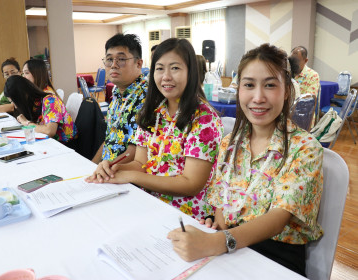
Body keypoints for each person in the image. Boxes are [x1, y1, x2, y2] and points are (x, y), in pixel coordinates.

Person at [167, 43, 323, 276]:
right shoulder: (230, 143)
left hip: (275, 257)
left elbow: (278, 218)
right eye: (249, 85)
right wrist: (217, 227)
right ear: (238, 89)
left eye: (270, 85)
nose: (258, 97)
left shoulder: (306, 148)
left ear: (287, 91)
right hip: (229, 247)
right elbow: (220, 202)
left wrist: (218, 241)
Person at [87, 38, 223, 220]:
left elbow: (191, 184)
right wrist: (115, 167)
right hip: (148, 202)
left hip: (187, 214)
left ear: (191, 73)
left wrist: (131, 177)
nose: (166, 76)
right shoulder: (152, 113)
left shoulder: (204, 118)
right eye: (159, 69)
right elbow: (140, 164)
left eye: (175, 68)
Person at [90, 33, 148, 165]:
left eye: (121, 59)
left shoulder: (146, 97)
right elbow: (109, 139)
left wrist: (105, 169)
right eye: (109, 59)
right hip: (107, 170)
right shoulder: (117, 93)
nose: (113, 65)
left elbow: (135, 150)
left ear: (138, 63)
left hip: (127, 174)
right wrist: (92, 166)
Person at [4, 75, 77, 144]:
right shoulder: (33, 101)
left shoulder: (50, 100)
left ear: (23, 95)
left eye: (15, 101)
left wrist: (26, 123)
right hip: (48, 142)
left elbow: (49, 131)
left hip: (64, 144)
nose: (15, 106)